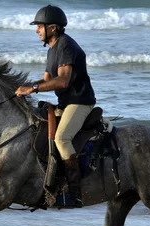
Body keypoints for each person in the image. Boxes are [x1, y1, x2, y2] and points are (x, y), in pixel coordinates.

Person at [15, 5, 96, 201]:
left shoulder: (66, 45)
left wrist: (33, 89)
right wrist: (23, 87)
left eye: (39, 26)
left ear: (52, 28)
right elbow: (45, 80)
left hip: (80, 102)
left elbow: (62, 80)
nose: (36, 30)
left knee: (62, 139)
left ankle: (74, 192)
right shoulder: (52, 49)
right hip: (65, 104)